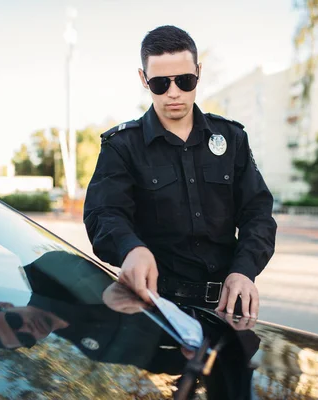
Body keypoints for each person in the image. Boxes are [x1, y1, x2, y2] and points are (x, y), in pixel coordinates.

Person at [83, 25, 277, 319]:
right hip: (153, 308)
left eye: (185, 81)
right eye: (161, 83)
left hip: (227, 307)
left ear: (198, 71)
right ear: (143, 79)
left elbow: (258, 213)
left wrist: (244, 270)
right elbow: (103, 214)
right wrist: (130, 249)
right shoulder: (122, 145)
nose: (174, 93)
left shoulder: (232, 137)